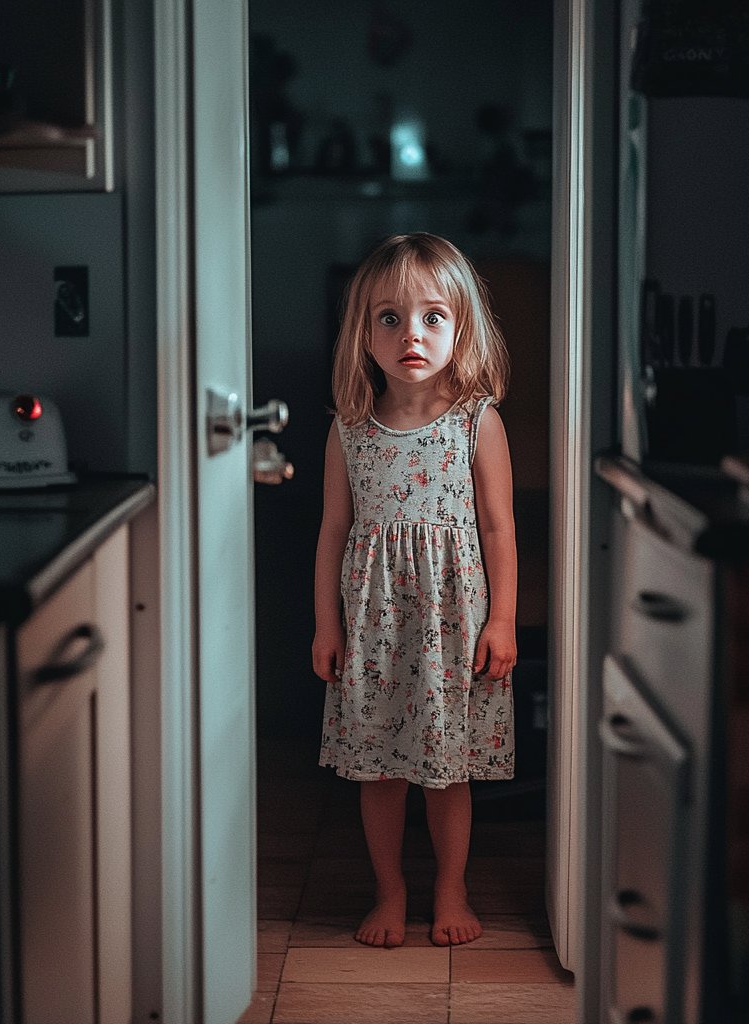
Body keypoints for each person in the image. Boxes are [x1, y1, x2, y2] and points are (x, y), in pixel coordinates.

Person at [312, 232, 517, 949]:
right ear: (364, 334)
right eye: (389, 318)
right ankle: (389, 891)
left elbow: (498, 530)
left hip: (454, 625)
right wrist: (324, 626)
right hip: (374, 632)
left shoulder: (476, 423)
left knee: (445, 771)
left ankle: (450, 886)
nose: (411, 335)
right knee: (379, 771)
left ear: (462, 327)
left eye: (433, 317)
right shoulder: (349, 432)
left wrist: (505, 622)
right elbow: (333, 532)